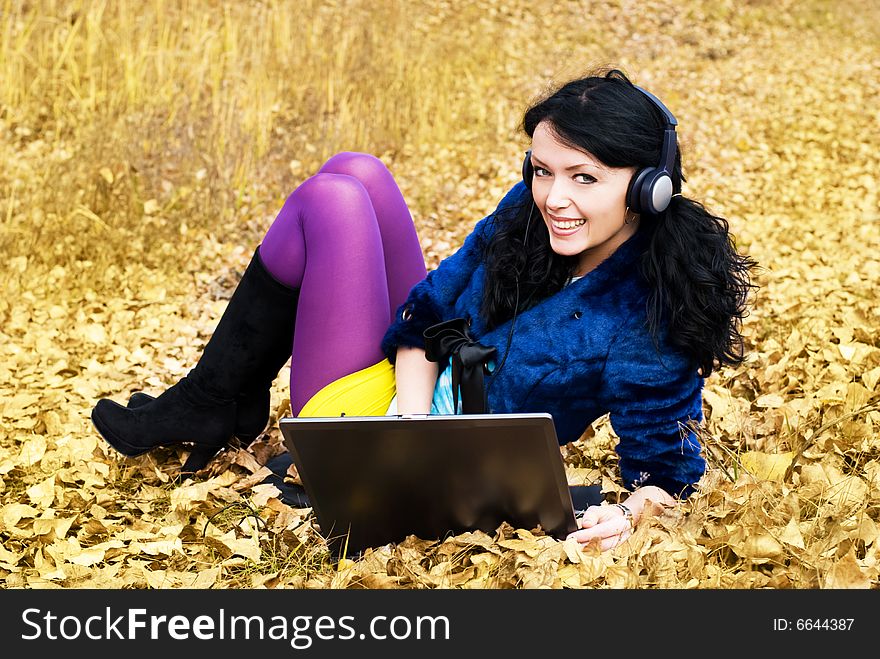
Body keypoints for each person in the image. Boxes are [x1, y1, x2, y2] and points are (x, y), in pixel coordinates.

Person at [91, 68, 756, 553]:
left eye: (584, 177)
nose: (554, 196)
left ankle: (215, 397)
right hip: (398, 411)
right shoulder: (531, 213)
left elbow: (666, 475)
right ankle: (218, 397)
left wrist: (631, 514)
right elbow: (428, 311)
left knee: (333, 205)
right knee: (358, 170)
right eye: (542, 168)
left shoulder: (648, 316)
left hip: (435, 454)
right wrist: (405, 424)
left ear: (649, 189)